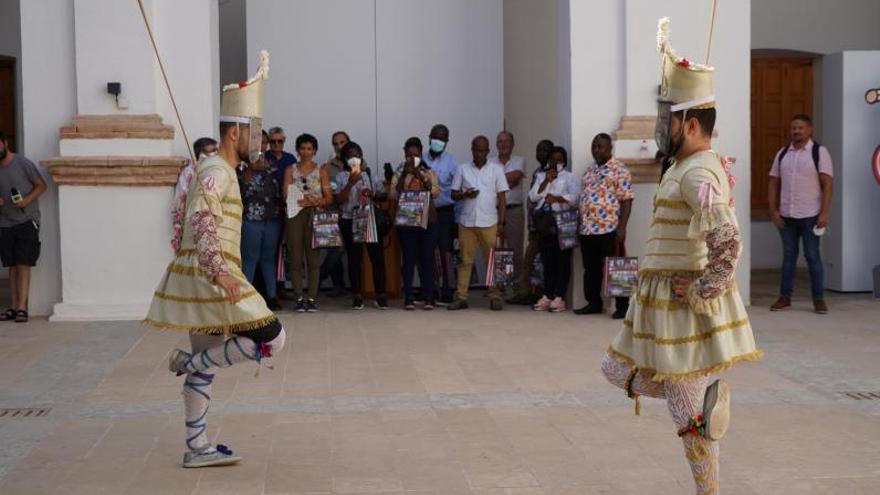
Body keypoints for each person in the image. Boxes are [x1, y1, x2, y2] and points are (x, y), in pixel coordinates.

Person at [601, 19, 761, 495]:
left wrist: (702, 288)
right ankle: (702, 397)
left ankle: (707, 488)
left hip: (681, 310)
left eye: (667, 119)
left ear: (690, 125)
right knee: (616, 370)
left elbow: (728, 239)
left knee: (687, 420)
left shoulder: (696, 173)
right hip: (660, 307)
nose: (661, 127)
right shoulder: (685, 165)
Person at [145, 53, 286, 468]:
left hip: (205, 276)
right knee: (272, 337)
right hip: (214, 277)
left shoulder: (218, 168)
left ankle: (197, 447)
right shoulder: (218, 170)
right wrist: (217, 269)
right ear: (234, 134)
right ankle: (189, 362)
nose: (258, 140)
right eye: (255, 132)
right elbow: (201, 216)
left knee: (204, 371)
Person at [767, 114, 833, 314]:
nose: (796, 131)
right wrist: (773, 211)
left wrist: (824, 213)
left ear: (809, 130)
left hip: (811, 214)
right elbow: (773, 182)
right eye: (794, 128)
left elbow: (827, 184)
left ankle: (819, 299)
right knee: (788, 256)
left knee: (812, 256)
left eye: (801, 128)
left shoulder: (818, 152)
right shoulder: (783, 153)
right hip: (787, 215)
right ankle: (785, 297)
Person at [574, 133, 633, 319]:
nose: (596, 150)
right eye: (594, 146)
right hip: (588, 229)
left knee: (617, 266)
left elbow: (626, 199)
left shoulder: (620, 169)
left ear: (610, 149)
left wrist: (622, 227)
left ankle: (623, 306)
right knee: (590, 268)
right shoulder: (589, 171)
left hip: (610, 227)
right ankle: (594, 302)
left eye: (600, 146)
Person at [447, 136, 509, 311]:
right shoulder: (462, 169)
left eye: (483, 151)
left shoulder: (496, 170)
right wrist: (465, 195)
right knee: (465, 260)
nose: (479, 154)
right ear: (471, 149)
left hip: (489, 221)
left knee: (493, 260)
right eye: (476, 150)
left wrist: (502, 223)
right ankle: (461, 297)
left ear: (488, 151)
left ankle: (495, 296)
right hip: (467, 222)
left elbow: (502, 198)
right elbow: (453, 194)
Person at [334, 141, 388, 310]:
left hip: (369, 218)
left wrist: (374, 194)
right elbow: (338, 200)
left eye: (357, 155)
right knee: (354, 258)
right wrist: (350, 183)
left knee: (377, 257)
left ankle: (381, 295)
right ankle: (357, 295)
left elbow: (383, 196)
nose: (354, 158)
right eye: (350, 155)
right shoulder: (341, 177)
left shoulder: (371, 174)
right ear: (344, 159)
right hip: (349, 219)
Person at [282, 133, 333, 313]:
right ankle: (298, 297)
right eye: (302, 148)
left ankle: (311, 297)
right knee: (295, 256)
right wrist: (301, 198)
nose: (306, 152)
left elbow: (329, 198)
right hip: (295, 214)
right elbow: (286, 194)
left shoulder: (322, 171)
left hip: (314, 215)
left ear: (315, 151)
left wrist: (315, 201)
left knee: (313, 258)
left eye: (309, 148)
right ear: (297, 150)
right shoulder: (290, 170)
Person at [0, 132, 47, 323]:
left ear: (5, 143)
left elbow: (42, 185)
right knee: (11, 266)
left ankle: (22, 309)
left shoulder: (22, 163)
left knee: (23, 264)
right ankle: (13, 307)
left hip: (27, 220)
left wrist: (26, 201)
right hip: (5, 221)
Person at [529, 146, 580, 313]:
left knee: (562, 261)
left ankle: (560, 297)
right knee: (547, 261)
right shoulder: (541, 176)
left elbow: (575, 197)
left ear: (563, 161)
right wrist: (547, 181)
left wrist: (557, 198)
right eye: (553, 160)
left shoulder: (570, 177)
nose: (555, 163)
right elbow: (533, 196)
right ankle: (548, 294)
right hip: (545, 223)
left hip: (564, 223)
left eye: (559, 160)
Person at [391, 137, 440, 310]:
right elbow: (393, 193)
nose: (412, 158)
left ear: (421, 153)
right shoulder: (399, 171)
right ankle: (409, 297)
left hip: (427, 220)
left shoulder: (429, 171)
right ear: (404, 154)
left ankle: (429, 297)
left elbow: (435, 192)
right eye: (409, 154)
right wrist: (406, 173)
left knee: (427, 258)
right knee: (409, 259)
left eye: (416, 154)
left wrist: (419, 173)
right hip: (407, 221)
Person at [238, 130, 282, 310]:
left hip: (272, 218)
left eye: (264, 142)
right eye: (257, 142)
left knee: (268, 258)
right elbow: (238, 190)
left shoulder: (273, 165)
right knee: (250, 259)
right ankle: (245, 299)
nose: (262, 146)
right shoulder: (240, 166)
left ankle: (272, 297)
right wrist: (250, 169)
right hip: (250, 218)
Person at [507, 139, 554, 305]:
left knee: (538, 262)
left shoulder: (554, 173)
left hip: (549, 227)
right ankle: (527, 292)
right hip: (536, 226)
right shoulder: (537, 172)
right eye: (538, 151)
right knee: (530, 261)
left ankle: (539, 294)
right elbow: (532, 199)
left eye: (544, 151)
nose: (541, 154)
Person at [423, 124, 458, 304]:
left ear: (446, 142)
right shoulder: (420, 159)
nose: (438, 141)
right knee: (426, 253)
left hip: (444, 213)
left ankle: (448, 291)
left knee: (446, 253)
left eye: (442, 139)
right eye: (436, 137)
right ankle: (429, 291)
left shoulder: (452, 163)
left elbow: (457, 190)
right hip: (424, 212)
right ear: (429, 138)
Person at [265, 126, 297, 298]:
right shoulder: (264, 158)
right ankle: (271, 288)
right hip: (268, 210)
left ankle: (281, 286)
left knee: (285, 249)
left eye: (280, 141)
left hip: (288, 208)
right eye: (273, 141)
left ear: (284, 141)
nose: (276, 144)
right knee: (271, 250)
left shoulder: (290, 159)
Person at [319, 131, 350, 297]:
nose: (339, 146)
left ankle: (320, 276)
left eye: (342, 142)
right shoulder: (327, 167)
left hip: (352, 214)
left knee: (346, 250)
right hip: (333, 214)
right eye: (336, 143)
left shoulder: (359, 163)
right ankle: (336, 284)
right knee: (336, 250)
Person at [495, 131, 526, 293]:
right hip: (495, 211)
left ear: (513, 144)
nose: (503, 144)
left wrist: (497, 180)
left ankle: (517, 288)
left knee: (515, 249)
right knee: (500, 249)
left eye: (506, 141)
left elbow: (516, 176)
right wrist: (505, 180)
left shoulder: (519, 160)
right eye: (500, 141)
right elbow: (508, 180)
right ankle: (501, 286)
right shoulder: (490, 162)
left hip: (514, 210)